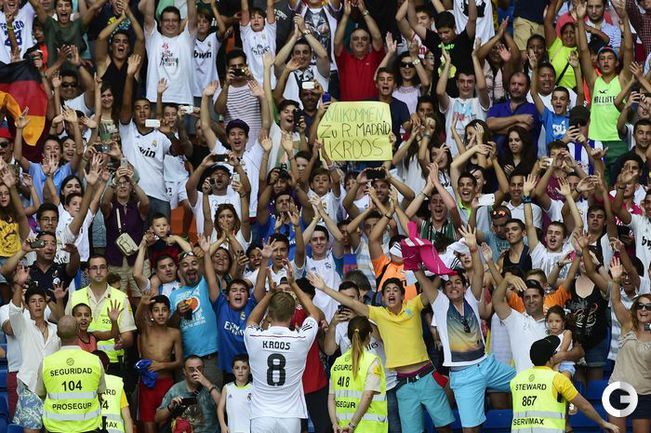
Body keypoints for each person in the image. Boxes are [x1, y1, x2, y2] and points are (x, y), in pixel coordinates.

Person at [244, 262, 320, 433]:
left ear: (269, 315)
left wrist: (270, 293)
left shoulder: (255, 337)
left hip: (261, 415)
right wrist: (293, 284)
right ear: (293, 314)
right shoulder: (300, 339)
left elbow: (251, 321)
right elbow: (314, 314)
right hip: (290, 417)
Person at [510, 335, 620, 433]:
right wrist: (603, 423)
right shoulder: (557, 379)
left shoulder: (516, 380)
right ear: (551, 358)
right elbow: (584, 406)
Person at [66, 255, 137, 374]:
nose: (98, 272)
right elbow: (66, 330)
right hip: (80, 362)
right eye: (94, 268)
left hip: (112, 362)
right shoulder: (75, 296)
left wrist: (122, 341)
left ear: (108, 270)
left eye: (102, 267)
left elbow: (129, 337)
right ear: (87, 271)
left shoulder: (121, 297)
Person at [36, 315, 106, 433]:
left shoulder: (46, 363)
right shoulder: (95, 361)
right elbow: (100, 392)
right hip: (88, 427)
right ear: (78, 331)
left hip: (56, 428)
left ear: (57, 334)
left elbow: (40, 394)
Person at [608, 257, 651, 433]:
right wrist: (615, 280)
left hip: (644, 393)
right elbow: (616, 301)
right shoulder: (628, 325)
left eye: (648, 307)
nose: (643, 309)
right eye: (640, 306)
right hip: (619, 388)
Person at [328, 316, 387, 433]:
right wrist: (352, 425)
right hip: (368, 428)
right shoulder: (371, 361)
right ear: (369, 336)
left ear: (349, 336)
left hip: (342, 428)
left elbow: (331, 398)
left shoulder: (338, 362)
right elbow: (368, 395)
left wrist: (335, 423)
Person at [135, 293, 183, 433]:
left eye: (164, 310)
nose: (160, 314)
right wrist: (142, 304)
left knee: (165, 425)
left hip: (166, 384)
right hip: (147, 385)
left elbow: (180, 362)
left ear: (169, 312)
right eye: (156, 310)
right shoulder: (146, 329)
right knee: (149, 424)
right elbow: (137, 319)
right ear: (150, 314)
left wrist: (162, 365)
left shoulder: (175, 333)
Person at [155, 355, 222, 433]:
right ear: (184, 371)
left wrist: (208, 385)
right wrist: (170, 407)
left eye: (199, 369)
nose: (195, 373)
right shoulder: (175, 390)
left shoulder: (211, 388)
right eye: (191, 370)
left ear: (203, 370)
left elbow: (225, 408)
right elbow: (157, 418)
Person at [93, 350, 134, 433]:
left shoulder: (86, 383)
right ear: (107, 366)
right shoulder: (116, 383)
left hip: (94, 430)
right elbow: (127, 417)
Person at [217, 355, 252, 433]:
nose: (240, 371)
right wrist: (223, 425)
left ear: (250, 370)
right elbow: (220, 409)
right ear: (232, 370)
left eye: (244, 368)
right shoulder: (227, 388)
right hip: (232, 430)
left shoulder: (254, 388)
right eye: (237, 368)